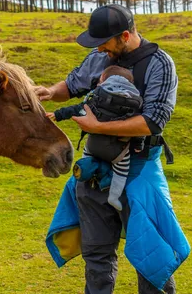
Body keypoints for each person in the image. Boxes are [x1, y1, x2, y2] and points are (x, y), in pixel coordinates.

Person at [38, 4, 189, 294]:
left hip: (139, 170)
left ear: (125, 35)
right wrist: (49, 91)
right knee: (96, 254)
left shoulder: (160, 64)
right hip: (94, 170)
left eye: (104, 42)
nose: (99, 49)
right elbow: (73, 85)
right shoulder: (100, 57)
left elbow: (154, 121)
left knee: (151, 255)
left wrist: (97, 127)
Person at [47, 65, 142, 211]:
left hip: (93, 145)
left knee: (87, 156)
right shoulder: (135, 102)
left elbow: (78, 109)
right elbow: (137, 127)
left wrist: (58, 114)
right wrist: (138, 144)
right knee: (121, 171)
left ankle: (86, 173)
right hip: (117, 152)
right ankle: (114, 196)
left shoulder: (98, 96)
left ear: (103, 79)